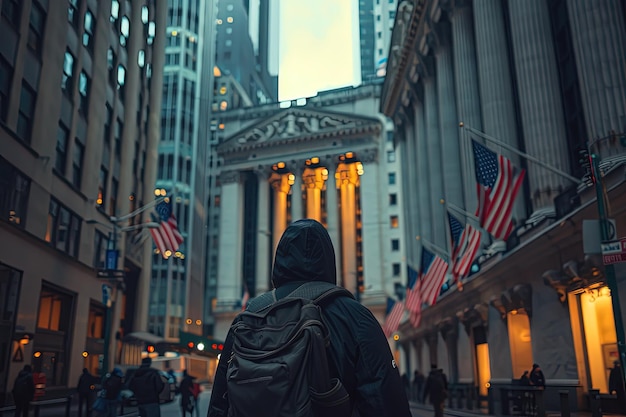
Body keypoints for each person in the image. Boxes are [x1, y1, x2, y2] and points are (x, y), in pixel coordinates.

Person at [207, 219, 412, 417]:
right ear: (328, 259)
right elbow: (384, 402)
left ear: (279, 259)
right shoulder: (354, 316)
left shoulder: (249, 315)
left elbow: (219, 402)